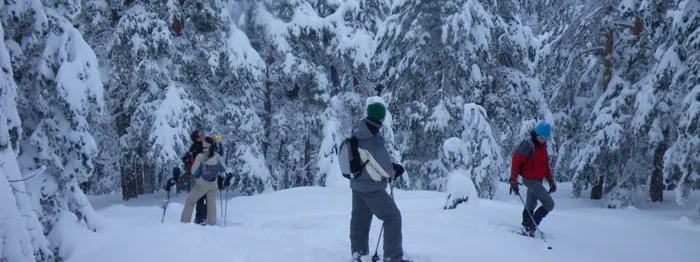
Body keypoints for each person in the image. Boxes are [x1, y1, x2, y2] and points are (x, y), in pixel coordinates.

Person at [349, 102, 410, 262]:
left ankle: (358, 252)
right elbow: (384, 167)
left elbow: (367, 160)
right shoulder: (373, 138)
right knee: (393, 217)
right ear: (381, 118)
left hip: (357, 185)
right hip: (371, 188)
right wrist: (395, 170)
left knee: (360, 218)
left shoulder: (358, 132)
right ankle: (392, 256)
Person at [510, 121, 557, 237]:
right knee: (549, 203)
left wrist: (550, 180)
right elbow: (516, 162)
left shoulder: (542, 147)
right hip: (529, 179)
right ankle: (532, 225)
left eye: (545, 138)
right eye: (541, 137)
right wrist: (513, 179)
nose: (543, 140)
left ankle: (527, 225)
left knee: (531, 203)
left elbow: (545, 165)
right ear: (536, 134)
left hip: (538, 179)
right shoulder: (528, 145)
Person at [180, 136, 226, 226]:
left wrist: (198, 176)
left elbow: (194, 172)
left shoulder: (200, 156)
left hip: (201, 184)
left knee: (190, 201)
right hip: (213, 184)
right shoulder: (216, 156)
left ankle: (184, 222)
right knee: (211, 204)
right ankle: (212, 223)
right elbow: (223, 169)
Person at [182, 130, 209, 224]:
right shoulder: (199, 147)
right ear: (197, 139)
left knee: (202, 196)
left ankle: (200, 217)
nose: (203, 135)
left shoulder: (196, 147)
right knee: (203, 196)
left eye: (202, 134)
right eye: (200, 135)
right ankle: (202, 218)